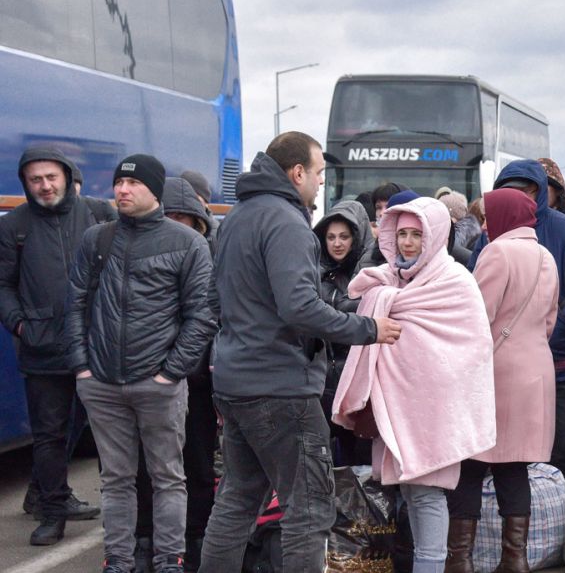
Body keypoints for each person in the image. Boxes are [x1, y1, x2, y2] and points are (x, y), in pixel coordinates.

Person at [200, 132, 391, 573]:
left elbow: (215, 300)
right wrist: (369, 328)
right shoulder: (286, 222)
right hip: (281, 389)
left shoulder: (238, 217)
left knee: (236, 502)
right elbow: (300, 307)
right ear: (297, 172)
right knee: (308, 510)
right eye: (319, 172)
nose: (322, 182)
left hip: (236, 381)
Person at [66, 155, 217, 573]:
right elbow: (76, 303)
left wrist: (171, 372)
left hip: (159, 384)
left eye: (132, 184)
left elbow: (201, 314)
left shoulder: (189, 243)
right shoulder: (96, 239)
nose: (122, 190)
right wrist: (82, 367)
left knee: (168, 477)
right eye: (118, 183)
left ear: (154, 190)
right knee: (115, 480)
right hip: (101, 382)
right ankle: (118, 559)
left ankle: (169, 560)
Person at [332, 197, 496, 573]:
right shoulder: (394, 279)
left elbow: (471, 351)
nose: (407, 243)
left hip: (434, 414)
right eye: (402, 234)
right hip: (401, 409)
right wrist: (384, 296)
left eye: (416, 234)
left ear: (435, 235)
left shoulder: (454, 282)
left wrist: (386, 301)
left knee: (427, 496)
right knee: (411, 493)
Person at [468, 160, 565, 510]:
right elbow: (475, 297)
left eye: (528, 190)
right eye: (511, 190)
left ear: (542, 192)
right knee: (509, 457)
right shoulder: (489, 239)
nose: (521, 197)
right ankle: (520, 542)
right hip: (507, 368)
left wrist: (553, 331)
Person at [0, 145, 110, 546]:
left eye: (51, 177)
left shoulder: (100, 214)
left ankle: (123, 519)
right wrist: (19, 324)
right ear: (26, 184)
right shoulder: (14, 226)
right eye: (36, 180)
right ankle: (51, 513)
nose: (45, 186)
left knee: (105, 434)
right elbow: (3, 285)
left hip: (99, 349)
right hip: (43, 351)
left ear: (67, 175)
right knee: (49, 436)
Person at [446, 188, 559, 573]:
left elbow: (478, 315)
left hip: (497, 373)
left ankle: (459, 560)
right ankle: (516, 559)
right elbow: (549, 322)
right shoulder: (545, 256)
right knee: (514, 468)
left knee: (470, 465)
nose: (485, 223)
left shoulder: (496, 252)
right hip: (536, 371)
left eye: (489, 215)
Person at [132, 177, 221, 573]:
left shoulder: (208, 259)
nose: (178, 229)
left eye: (187, 221)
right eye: (171, 219)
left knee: (197, 465)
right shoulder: (137, 261)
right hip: (148, 380)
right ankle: (146, 539)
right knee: (146, 467)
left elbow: (212, 318)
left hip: (196, 383)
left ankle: (195, 540)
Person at [313, 199, 376, 467]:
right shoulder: (315, 274)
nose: (337, 243)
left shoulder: (372, 275)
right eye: (330, 237)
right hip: (322, 384)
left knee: (360, 465)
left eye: (344, 236)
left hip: (358, 386)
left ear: (357, 237)